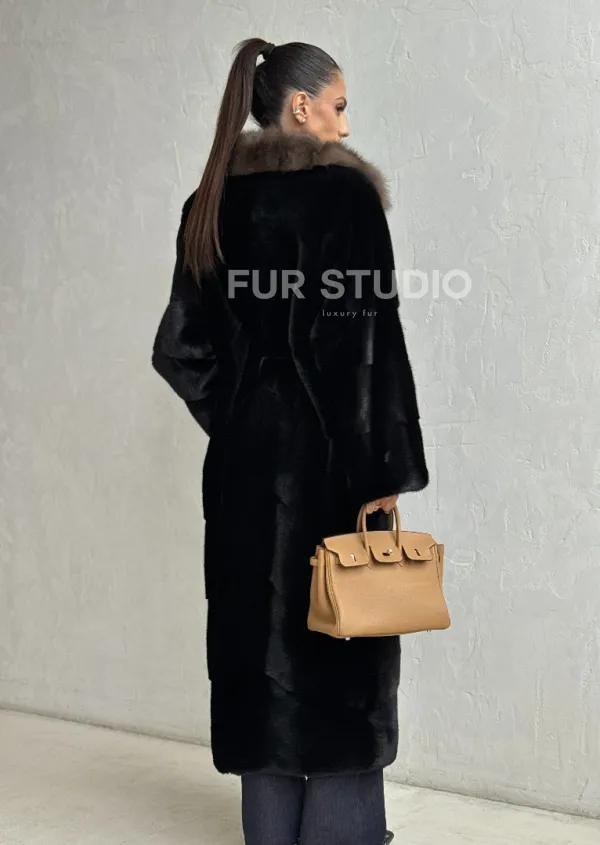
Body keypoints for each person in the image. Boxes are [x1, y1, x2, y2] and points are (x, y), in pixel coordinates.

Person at [151, 37, 429, 845]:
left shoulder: (210, 200)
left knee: (259, 654)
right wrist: (387, 470)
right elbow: (370, 347)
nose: (345, 125)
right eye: (338, 106)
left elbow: (180, 349)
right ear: (301, 107)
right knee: (345, 653)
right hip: (337, 472)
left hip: (242, 473)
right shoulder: (345, 197)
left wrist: (245, 421)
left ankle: (270, 833)